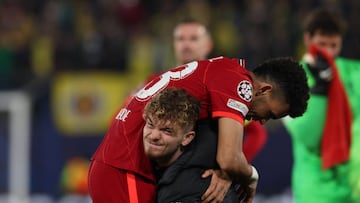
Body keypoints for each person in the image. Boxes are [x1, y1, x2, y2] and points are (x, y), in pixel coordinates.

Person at [88, 55, 309, 203]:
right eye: (269, 114)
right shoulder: (238, 84)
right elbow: (230, 158)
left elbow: (220, 154)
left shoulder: (224, 70)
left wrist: (226, 171)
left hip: (125, 167)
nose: (262, 121)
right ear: (264, 90)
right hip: (125, 171)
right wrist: (251, 176)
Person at [282, 8, 360, 203]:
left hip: (354, 186)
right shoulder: (291, 79)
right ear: (308, 40)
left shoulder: (353, 72)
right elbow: (307, 135)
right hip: (315, 191)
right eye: (322, 44)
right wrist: (320, 90)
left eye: (334, 45)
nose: (328, 52)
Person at [173, 18, 267, 162]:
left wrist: (232, 171)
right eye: (180, 39)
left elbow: (256, 133)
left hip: (202, 175)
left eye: (193, 39)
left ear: (208, 45)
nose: (186, 44)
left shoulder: (223, 84)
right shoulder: (154, 83)